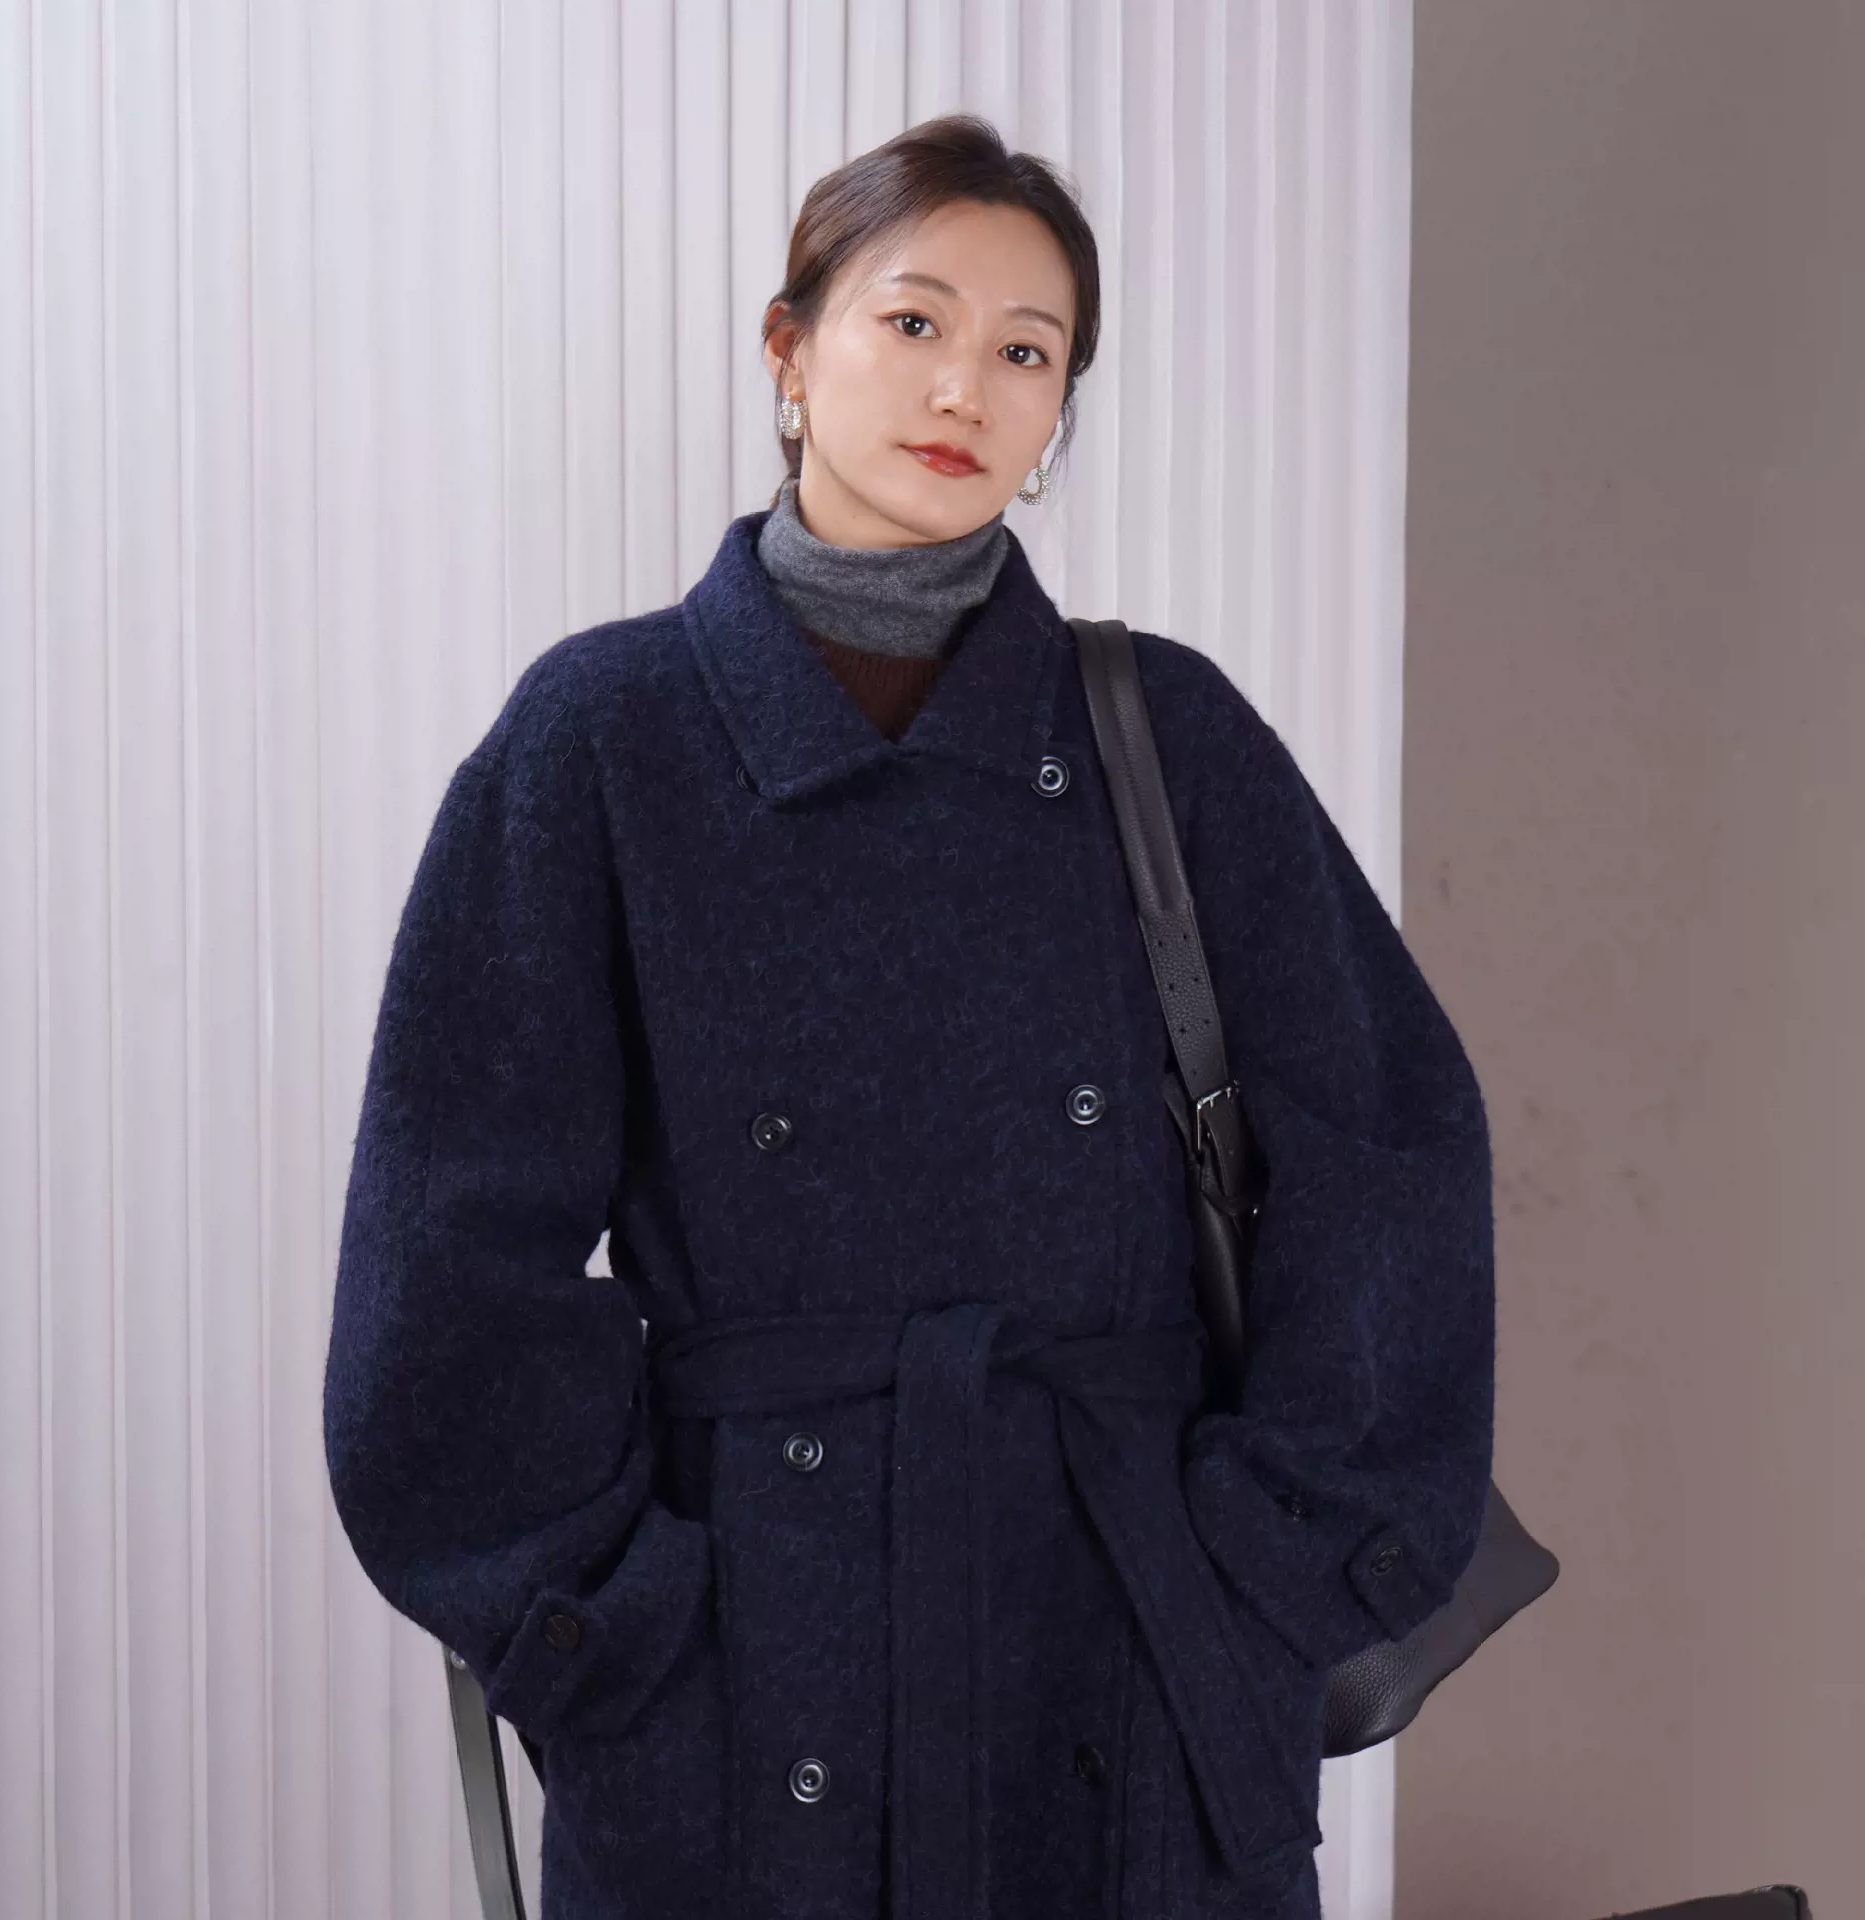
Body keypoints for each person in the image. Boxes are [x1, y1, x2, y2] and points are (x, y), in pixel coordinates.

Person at [322, 113, 1496, 1920]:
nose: (967, 387)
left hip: (1126, 1651)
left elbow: (1387, 1148)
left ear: (1057, 418)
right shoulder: (605, 739)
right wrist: (606, 1630)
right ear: (789, 351)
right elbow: (448, 1248)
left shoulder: (1166, 733)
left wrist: (1265, 1581)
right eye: (916, 321)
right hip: (744, 1674)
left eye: (1029, 353)